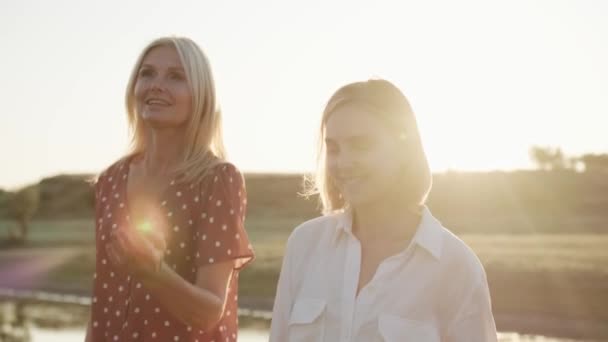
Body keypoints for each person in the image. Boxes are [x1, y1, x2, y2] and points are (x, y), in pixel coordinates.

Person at [269, 79, 497, 341]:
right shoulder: (304, 244)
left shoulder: (456, 266)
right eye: (333, 148)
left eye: (361, 145)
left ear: (404, 150)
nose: (343, 162)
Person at [85, 36, 254, 342]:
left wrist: (152, 271)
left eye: (176, 77)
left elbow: (209, 311)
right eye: (147, 73)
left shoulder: (218, 180)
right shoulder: (109, 180)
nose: (156, 85)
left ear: (201, 95)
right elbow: (103, 303)